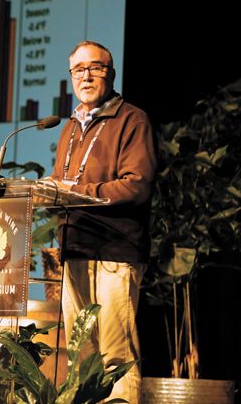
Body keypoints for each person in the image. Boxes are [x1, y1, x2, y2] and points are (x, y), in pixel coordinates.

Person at [43, 40, 156, 403]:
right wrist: (47, 193)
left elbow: (136, 185)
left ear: (110, 73)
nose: (86, 76)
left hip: (114, 253)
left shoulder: (132, 120)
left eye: (95, 68)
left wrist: (75, 190)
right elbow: (63, 182)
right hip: (74, 251)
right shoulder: (69, 127)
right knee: (81, 357)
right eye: (78, 69)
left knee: (115, 356)